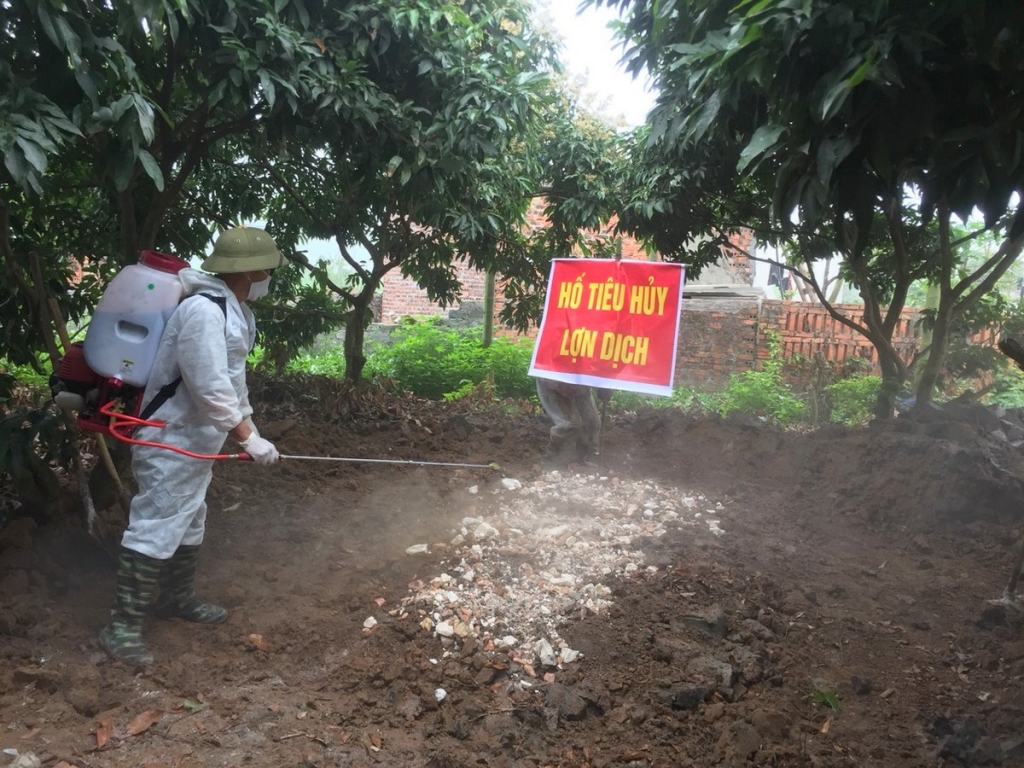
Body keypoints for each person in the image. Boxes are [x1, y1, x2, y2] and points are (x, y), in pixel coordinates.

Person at [99, 226, 283, 665]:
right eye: (268, 268)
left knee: (190, 517)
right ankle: (120, 627)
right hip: (170, 437)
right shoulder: (203, 311)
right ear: (251, 269)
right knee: (156, 523)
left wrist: (252, 433)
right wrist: (245, 438)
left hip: (197, 439)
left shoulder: (235, 311)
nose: (270, 276)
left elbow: (234, 387)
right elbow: (209, 386)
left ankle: (177, 599)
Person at [536, 378, 612, 464]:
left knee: (591, 422)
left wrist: (602, 387)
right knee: (569, 424)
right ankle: (553, 462)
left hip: (580, 385)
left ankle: (580, 458)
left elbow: (600, 370)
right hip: (554, 384)